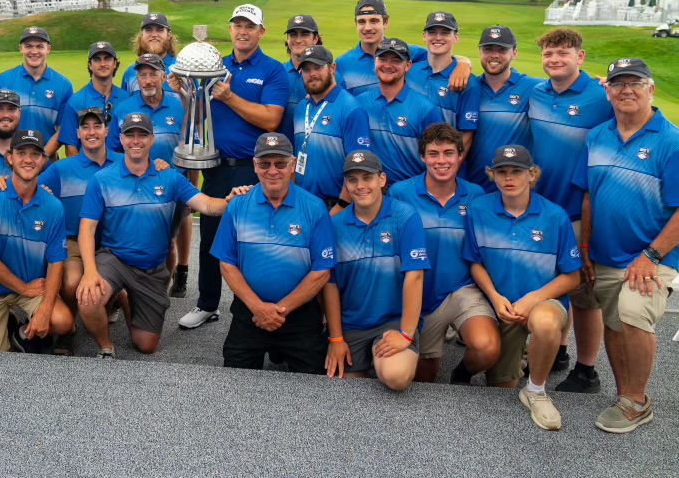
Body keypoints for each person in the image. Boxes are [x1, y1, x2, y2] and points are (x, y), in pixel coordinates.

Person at [76, 112, 241, 355]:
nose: (136, 141)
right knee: (89, 299)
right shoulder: (102, 179)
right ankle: (105, 347)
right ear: (121, 139)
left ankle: (126, 298)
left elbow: (207, 205)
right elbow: (86, 229)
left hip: (151, 268)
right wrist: (90, 272)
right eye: (130, 135)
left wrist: (231, 201)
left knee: (146, 345)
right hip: (115, 259)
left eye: (142, 135)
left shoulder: (170, 177)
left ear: (152, 139)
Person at [572, 58, 679, 433]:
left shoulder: (671, 140)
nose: (626, 90)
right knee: (614, 323)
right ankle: (624, 395)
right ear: (608, 92)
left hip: (651, 256)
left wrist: (650, 256)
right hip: (605, 254)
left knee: (633, 313)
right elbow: (588, 195)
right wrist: (585, 247)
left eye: (635, 83)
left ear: (651, 89)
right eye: (618, 83)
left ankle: (637, 401)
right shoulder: (597, 136)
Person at [169, 4, 288, 330]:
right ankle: (207, 304)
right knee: (210, 238)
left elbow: (271, 119)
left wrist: (230, 97)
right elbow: (198, 115)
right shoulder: (214, 64)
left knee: (254, 241)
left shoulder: (272, 70)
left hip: (256, 169)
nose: (242, 31)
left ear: (261, 31)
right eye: (238, 25)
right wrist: (184, 93)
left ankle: (254, 308)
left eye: (250, 26)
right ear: (231, 28)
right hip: (217, 167)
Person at [464, 145, 581, 431]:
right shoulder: (478, 210)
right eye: (501, 171)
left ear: (532, 175)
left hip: (541, 301)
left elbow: (572, 277)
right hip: (501, 305)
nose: (509, 178)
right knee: (500, 387)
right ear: (492, 176)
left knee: (545, 323)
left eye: (517, 171)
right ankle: (517, 362)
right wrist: (494, 297)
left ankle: (536, 390)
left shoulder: (555, 216)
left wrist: (533, 298)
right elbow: (474, 263)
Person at [528, 28, 613, 388]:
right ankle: (559, 350)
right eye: (549, 53)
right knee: (554, 283)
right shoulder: (536, 92)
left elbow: (642, 114)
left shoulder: (602, 94)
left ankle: (587, 369)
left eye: (563, 53)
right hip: (543, 209)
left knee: (584, 296)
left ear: (580, 57)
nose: (555, 59)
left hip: (580, 211)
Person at [212, 133, 335, 373]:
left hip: (299, 315)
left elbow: (322, 271)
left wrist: (278, 311)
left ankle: (280, 350)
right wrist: (258, 308)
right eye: (264, 163)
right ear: (254, 165)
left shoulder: (314, 208)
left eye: (280, 163)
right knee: (234, 380)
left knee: (316, 385)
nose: (272, 171)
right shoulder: (237, 204)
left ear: (292, 165)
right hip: (250, 313)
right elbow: (226, 263)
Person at [388, 123, 498, 384]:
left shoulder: (476, 195)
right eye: (433, 154)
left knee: (487, 348)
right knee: (423, 379)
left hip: (461, 290)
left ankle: (461, 375)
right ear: (422, 156)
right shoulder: (400, 193)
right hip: (418, 294)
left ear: (460, 155)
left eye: (448, 153)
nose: (441, 161)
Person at [0, 129, 74, 352]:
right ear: (10, 158)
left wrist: (45, 310)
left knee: (62, 321)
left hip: (32, 283)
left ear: (44, 160)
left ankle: (21, 334)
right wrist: (24, 288)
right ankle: (7, 319)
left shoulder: (53, 207)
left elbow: (56, 262)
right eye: (21, 153)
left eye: (35, 154)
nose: (28, 160)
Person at [323, 150, 429, 390]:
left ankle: (384, 354)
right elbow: (330, 284)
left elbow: (415, 276)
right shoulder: (334, 225)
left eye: (367, 178)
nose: (360, 186)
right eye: (352, 180)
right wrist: (336, 338)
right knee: (344, 391)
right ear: (346, 185)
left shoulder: (405, 217)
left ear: (381, 179)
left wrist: (405, 333)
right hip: (351, 324)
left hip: (391, 321)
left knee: (396, 376)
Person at [36, 107, 121, 354]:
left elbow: (149, 173)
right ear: (77, 133)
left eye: (97, 126)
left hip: (112, 243)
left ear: (107, 131)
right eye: (85, 127)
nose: (91, 132)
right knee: (73, 282)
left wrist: (160, 164)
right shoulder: (62, 168)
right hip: (73, 241)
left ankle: (111, 305)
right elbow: (28, 187)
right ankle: (69, 329)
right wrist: (1, 183)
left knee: (108, 287)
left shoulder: (122, 163)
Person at [111, 53, 192, 294]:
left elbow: (191, 147)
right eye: (142, 75)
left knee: (167, 243)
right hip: (132, 185)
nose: (147, 80)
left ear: (163, 77)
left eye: (153, 74)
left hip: (171, 186)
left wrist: (189, 187)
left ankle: (159, 294)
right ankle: (131, 292)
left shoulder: (179, 104)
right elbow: (112, 151)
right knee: (133, 240)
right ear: (136, 79)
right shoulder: (124, 108)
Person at [335, 0, 472, 97]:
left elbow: (440, 56)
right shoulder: (342, 63)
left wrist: (463, 63)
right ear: (356, 24)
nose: (367, 28)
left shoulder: (405, 52)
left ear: (386, 22)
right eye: (362, 22)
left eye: (374, 21)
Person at [354, 38, 443, 184]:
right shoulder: (359, 103)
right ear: (374, 62)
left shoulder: (426, 109)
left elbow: (437, 159)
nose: (388, 65)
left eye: (396, 60)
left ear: (408, 65)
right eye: (382, 59)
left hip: (410, 191)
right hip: (369, 189)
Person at [292, 45, 371, 206]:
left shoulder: (351, 109)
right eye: (306, 70)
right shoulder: (300, 108)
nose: (312, 74)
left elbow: (358, 166)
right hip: (303, 204)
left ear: (332, 68)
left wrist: (341, 206)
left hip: (334, 205)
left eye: (318, 67)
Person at [464, 26, 539, 191]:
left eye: (502, 50)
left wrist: (599, 83)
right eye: (488, 49)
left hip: (514, 188)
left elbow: (565, 87)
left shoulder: (533, 87)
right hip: (475, 187)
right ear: (480, 51)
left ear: (514, 53)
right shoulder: (469, 87)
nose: (494, 55)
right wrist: (461, 61)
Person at [405, 11, 480, 155]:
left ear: (456, 37)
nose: (438, 37)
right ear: (424, 36)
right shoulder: (409, 70)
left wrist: (449, 167)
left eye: (445, 33)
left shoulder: (468, 82)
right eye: (432, 32)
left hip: (443, 163)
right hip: (410, 161)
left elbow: (466, 136)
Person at [0, 26, 73, 158]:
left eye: (40, 46)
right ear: (21, 48)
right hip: (9, 158)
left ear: (48, 49)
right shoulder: (2, 81)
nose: (34, 51)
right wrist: (13, 157)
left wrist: (42, 156)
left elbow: (62, 129)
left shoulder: (64, 85)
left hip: (46, 159)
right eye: (28, 46)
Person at [58, 42, 128, 156]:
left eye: (107, 59)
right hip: (87, 165)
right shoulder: (76, 101)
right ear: (90, 65)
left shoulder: (126, 99)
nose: (103, 64)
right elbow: (70, 146)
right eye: (97, 59)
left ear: (115, 64)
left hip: (120, 165)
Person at [279, 14, 324, 143]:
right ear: (287, 39)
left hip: (314, 148)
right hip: (279, 151)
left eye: (304, 34)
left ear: (315, 39)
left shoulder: (330, 77)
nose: (298, 40)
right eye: (293, 34)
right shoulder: (276, 72)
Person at [121, 13, 178, 95]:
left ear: (169, 35)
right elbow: (126, 102)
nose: (154, 35)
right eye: (148, 30)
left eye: (159, 30)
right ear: (141, 35)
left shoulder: (182, 70)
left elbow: (195, 101)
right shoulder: (130, 72)